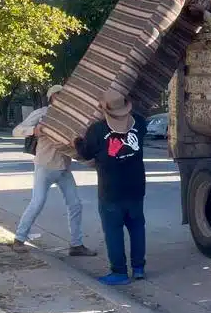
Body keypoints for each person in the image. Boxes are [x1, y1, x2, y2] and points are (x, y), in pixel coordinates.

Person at [12, 85, 97, 257]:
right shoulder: (42, 113)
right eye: (58, 95)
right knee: (37, 202)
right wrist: (34, 130)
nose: (62, 98)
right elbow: (16, 131)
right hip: (44, 166)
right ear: (52, 97)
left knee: (75, 204)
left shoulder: (71, 117)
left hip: (64, 168)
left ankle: (76, 245)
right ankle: (19, 239)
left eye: (64, 95)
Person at [75, 91, 147, 286]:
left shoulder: (97, 130)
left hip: (111, 191)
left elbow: (85, 152)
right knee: (137, 227)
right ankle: (138, 268)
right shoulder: (139, 123)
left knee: (114, 231)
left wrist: (77, 142)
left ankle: (119, 273)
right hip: (136, 187)